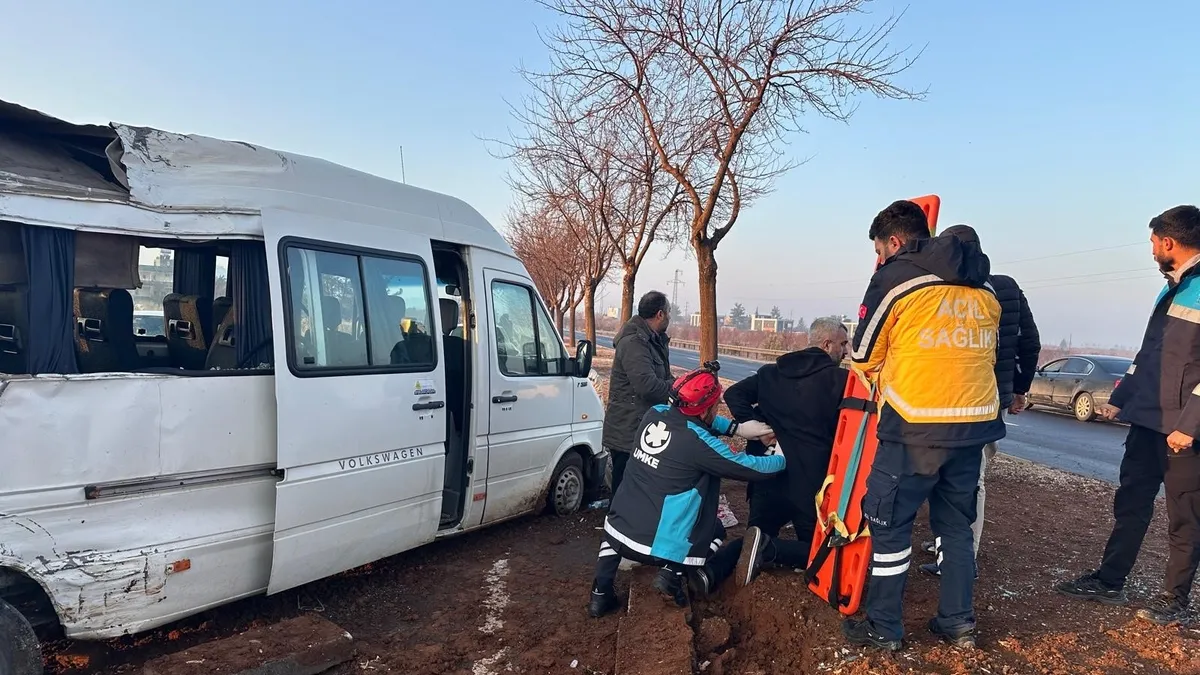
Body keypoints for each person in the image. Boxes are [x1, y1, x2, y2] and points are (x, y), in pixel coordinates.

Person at [842, 203, 1004, 651]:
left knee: (890, 527)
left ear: (894, 242)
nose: (879, 258)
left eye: (879, 250)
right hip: (974, 429)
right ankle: (958, 623)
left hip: (913, 427)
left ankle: (884, 628)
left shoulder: (895, 280)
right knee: (955, 528)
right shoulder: (985, 286)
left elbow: (862, 357)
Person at [1056, 205, 1200, 626]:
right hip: (1147, 422)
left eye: (1154, 242)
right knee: (1131, 504)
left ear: (1168, 242)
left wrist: (1188, 427)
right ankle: (1110, 581)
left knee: (1185, 517)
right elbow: (1148, 356)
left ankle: (1174, 600)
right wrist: (1122, 396)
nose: (1152, 250)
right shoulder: (1171, 288)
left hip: (1183, 431)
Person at [588, 363, 780, 618]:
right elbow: (752, 468)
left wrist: (736, 428)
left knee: (616, 533)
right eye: (714, 406)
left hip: (619, 528)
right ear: (705, 411)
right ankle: (671, 574)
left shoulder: (654, 414)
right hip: (656, 545)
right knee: (715, 530)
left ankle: (599, 595)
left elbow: (697, 422)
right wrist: (783, 454)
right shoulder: (699, 444)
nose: (716, 409)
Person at [921, 225, 1041, 576]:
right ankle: (953, 540)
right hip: (991, 400)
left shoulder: (942, 287)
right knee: (971, 474)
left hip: (947, 396)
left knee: (953, 474)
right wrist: (1019, 388)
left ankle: (961, 553)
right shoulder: (1007, 287)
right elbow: (1030, 342)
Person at [723, 316, 851, 583]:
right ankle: (772, 550)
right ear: (827, 344)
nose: (846, 350)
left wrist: (757, 426)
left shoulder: (771, 373)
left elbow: (734, 394)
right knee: (819, 555)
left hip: (765, 477)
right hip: (810, 486)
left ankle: (719, 569)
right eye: (843, 344)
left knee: (753, 537)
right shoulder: (841, 381)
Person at [603, 291, 675, 496]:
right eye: (669, 313)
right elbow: (647, 386)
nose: (669, 317)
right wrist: (677, 387)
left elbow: (662, 378)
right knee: (624, 490)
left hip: (644, 426)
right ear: (660, 314)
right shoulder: (635, 342)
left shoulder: (654, 341)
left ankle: (631, 525)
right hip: (628, 429)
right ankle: (615, 525)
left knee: (639, 490)